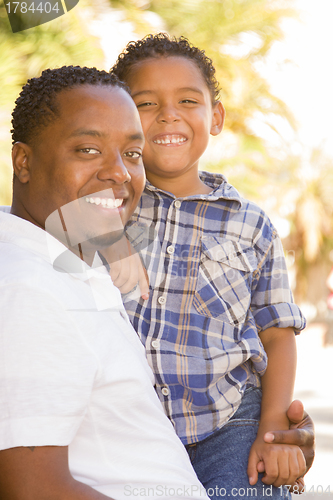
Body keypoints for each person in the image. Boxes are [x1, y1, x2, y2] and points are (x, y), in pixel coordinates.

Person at [109, 34, 314, 498]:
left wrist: (272, 434)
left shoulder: (251, 223)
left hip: (229, 423)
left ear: (215, 117)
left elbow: (277, 336)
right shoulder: (107, 207)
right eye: (145, 103)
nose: (168, 114)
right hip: (126, 426)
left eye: (187, 100)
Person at [0, 66, 211, 500]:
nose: (119, 173)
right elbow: (34, 489)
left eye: (132, 154)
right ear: (24, 161)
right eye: (88, 149)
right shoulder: (31, 289)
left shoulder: (67, 265)